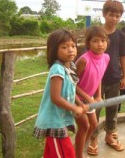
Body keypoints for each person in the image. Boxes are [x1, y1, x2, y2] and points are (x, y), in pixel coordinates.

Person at [33, 29, 86, 158]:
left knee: (51, 154)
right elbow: (56, 98)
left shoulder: (69, 67)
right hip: (54, 122)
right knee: (66, 154)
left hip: (59, 120)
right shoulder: (57, 69)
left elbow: (71, 92)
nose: (71, 50)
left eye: (73, 46)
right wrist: (74, 108)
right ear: (54, 50)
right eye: (64, 47)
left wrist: (80, 104)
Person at [92, 0, 125, 152]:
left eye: (117, 15)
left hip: (114, 78)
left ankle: (109, 135)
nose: (114, 18)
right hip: (96, 79)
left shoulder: (120, 36)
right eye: (111, 14)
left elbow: (123, 56)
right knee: (95, 110)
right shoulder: (96, 33)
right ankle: (93, 138)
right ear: (104, 14)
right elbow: (89, 54)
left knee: (113, 109)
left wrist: (124, 76)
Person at [74, 26, 110, 157]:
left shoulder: (106, 58)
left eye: (103, 40)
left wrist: (98, 95)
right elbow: (71, 84)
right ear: (88, 43)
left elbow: (99, 77)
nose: (100, 44)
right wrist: (87, 97)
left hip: (89, 98)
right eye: (95, 41)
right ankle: (78, 155)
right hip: (76, 97)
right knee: (84, 127)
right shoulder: (84, 60)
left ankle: (78, 148)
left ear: (107, 42)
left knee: (94, 124)